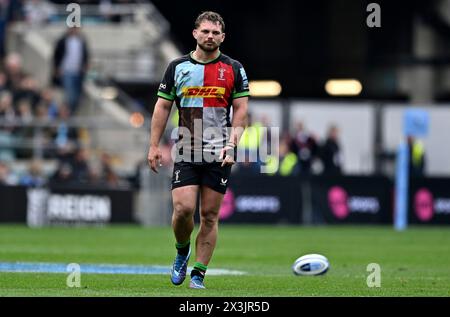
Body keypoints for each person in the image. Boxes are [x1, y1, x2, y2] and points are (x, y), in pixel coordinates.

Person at [147, 11, 249, 290]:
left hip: (220, 151)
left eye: (215, 33)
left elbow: (241, 110)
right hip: (187, 148)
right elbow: (162, 107)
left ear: (222, 37)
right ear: (195, 34)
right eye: (205, 31)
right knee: (183, 209)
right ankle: (182, 250)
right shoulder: (177, 67)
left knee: (209, 216)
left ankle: (199, 274)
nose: (210, 36)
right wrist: (154, 145)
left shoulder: (233, 68)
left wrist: (232, 145)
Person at [52, 26, 90, 115]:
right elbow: (56, 56)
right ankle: (67, 114)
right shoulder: (63, 41)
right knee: (70, 96)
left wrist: (85, 66)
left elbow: (85, 55)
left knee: (77, 96)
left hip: (78, 72)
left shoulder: (81, 41)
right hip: (66, 72)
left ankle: (70, 114)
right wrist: (57, 68)